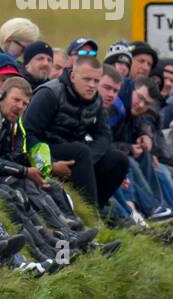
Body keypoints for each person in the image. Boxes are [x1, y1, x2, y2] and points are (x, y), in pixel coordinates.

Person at [22, 56, 128, 210]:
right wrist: (50, 164)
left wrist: (88, 161)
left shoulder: (96, 100)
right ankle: (91, 216)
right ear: (72, 76)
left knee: (119, 160)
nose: (92, 85)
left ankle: (94, 210)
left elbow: (104, 136)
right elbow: (27, 134)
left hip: (76, 154)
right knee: (80, 151)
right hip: (45, 150)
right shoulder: (49, 94)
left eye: (96, 81)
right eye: (87, 79)